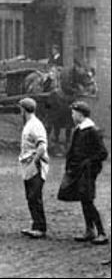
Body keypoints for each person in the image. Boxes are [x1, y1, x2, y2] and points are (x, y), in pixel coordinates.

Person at [58, 101, 109, 245]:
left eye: (73, 113)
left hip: (87, 172)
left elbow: (103, 153)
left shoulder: (92, 130)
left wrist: (88, 163)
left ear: (80, 114)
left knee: (88, 200)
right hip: (77, 170)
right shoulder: (79, 129)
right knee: (84, 199)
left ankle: (101, 232)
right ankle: (89, 230)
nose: (72, 115)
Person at [18, 98, 49, 239]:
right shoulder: (29, 124)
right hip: (27, 164)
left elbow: (42, 146)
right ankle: (35, 225)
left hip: (35, 165)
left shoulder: (35, 125)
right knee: (30, 196)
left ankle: (41, 227)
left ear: (23, 110)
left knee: (34, 196)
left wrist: (34, 163)